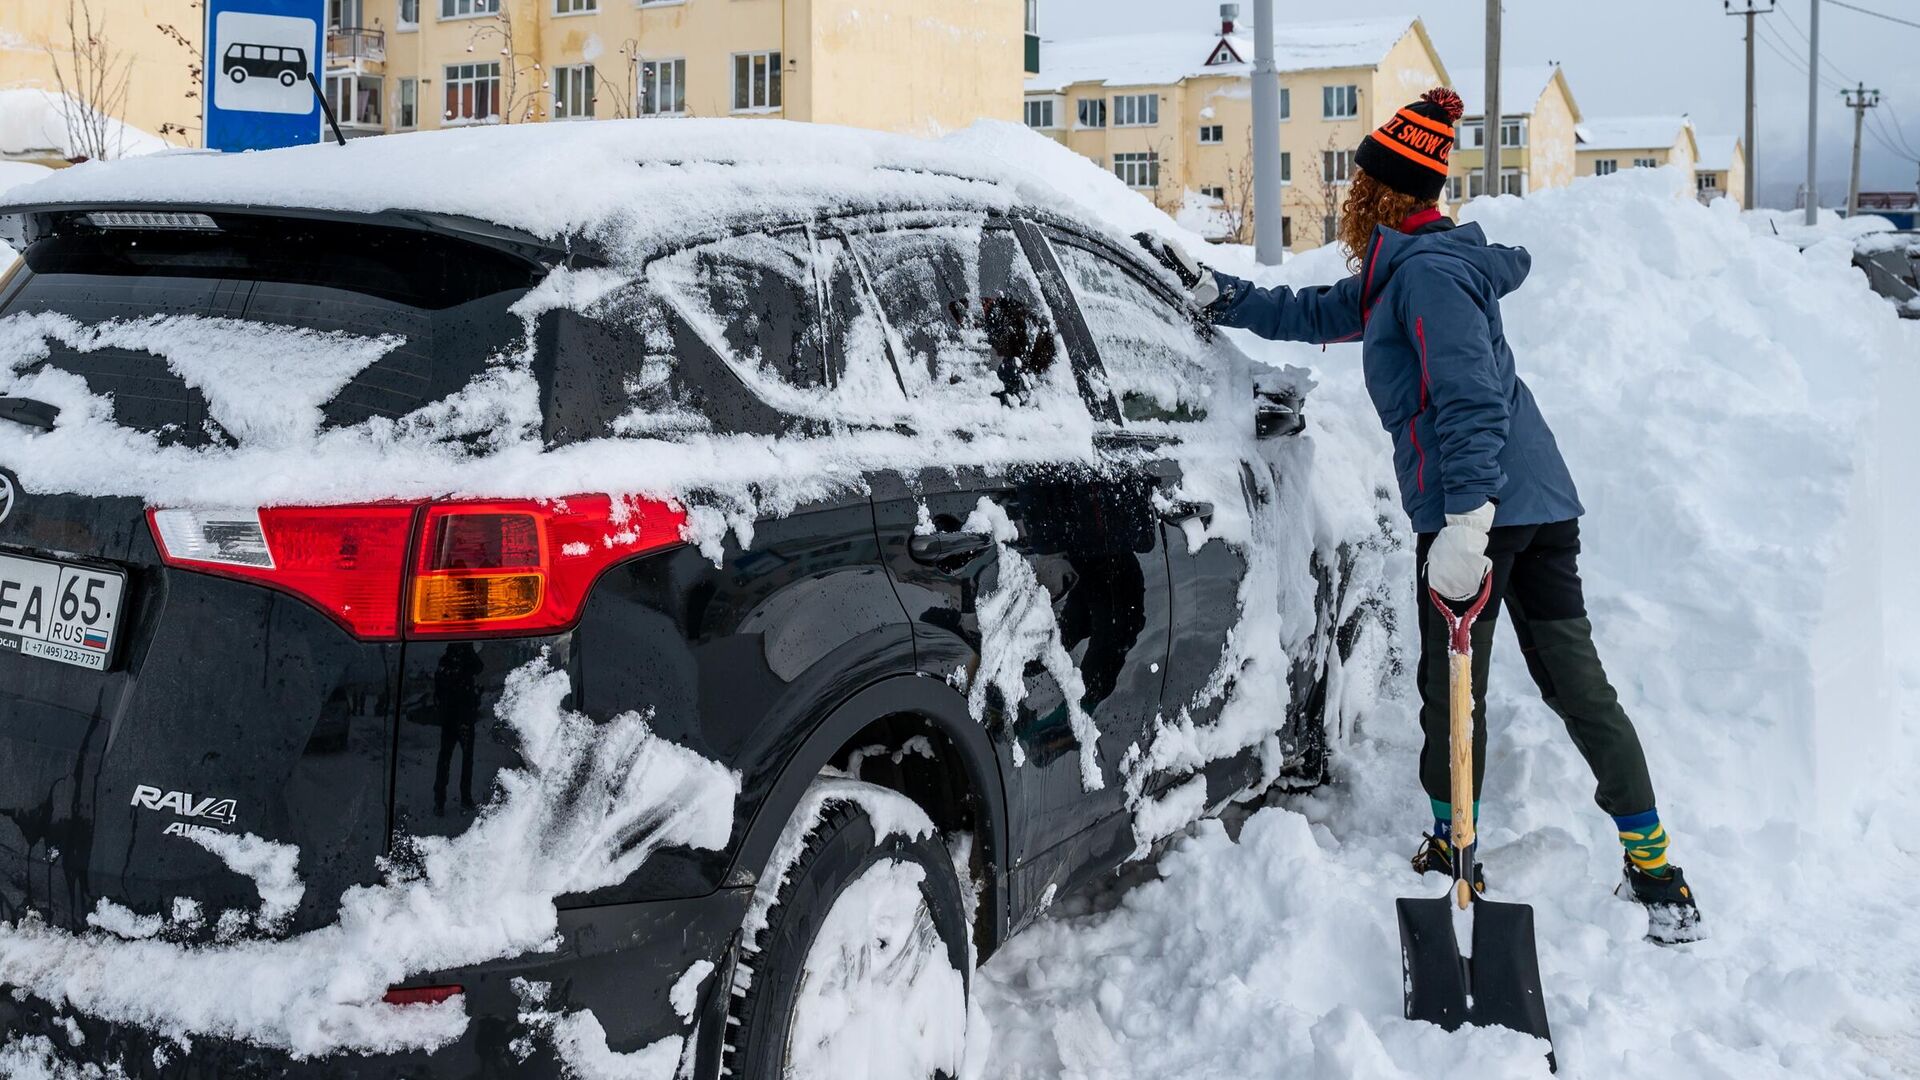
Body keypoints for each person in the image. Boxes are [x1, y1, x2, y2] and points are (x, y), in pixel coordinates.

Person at [1137, 87, 1701, 943]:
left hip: (1481, 507)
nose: (1349, 196)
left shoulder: (1428, 275)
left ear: (1383, 192)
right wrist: (1213, 290)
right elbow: (1311, 312)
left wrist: (1467, 524)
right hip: (1539, 502)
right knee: (1577, 686)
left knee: (1452, 689)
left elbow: (1471, 398)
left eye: (1359, 182)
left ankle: (1452, 846)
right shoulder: (1403, 271)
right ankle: (1657, 872)